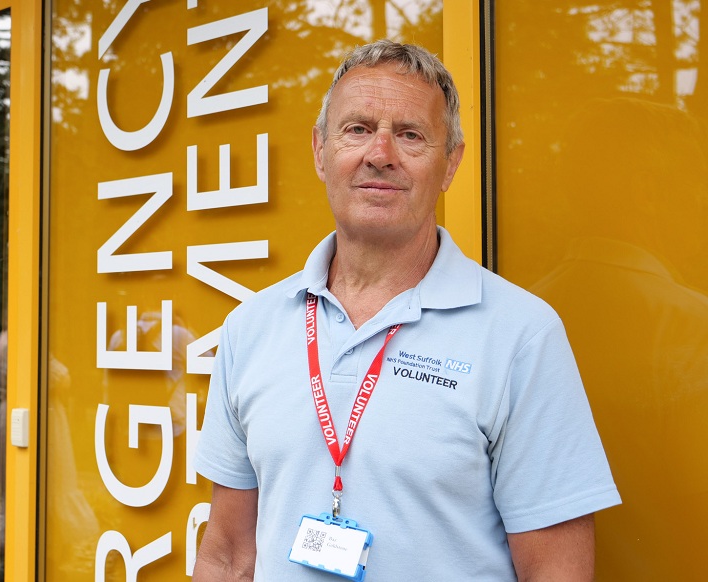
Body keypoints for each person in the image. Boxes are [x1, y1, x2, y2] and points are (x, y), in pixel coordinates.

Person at [193, 40, 621, 581]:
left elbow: (556, 572)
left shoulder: (521, 336)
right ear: (320, 151)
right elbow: (229, 555)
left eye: (410, 134)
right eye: (357, 129)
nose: (380, 153)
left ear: (451, 163)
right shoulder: (250, 328)